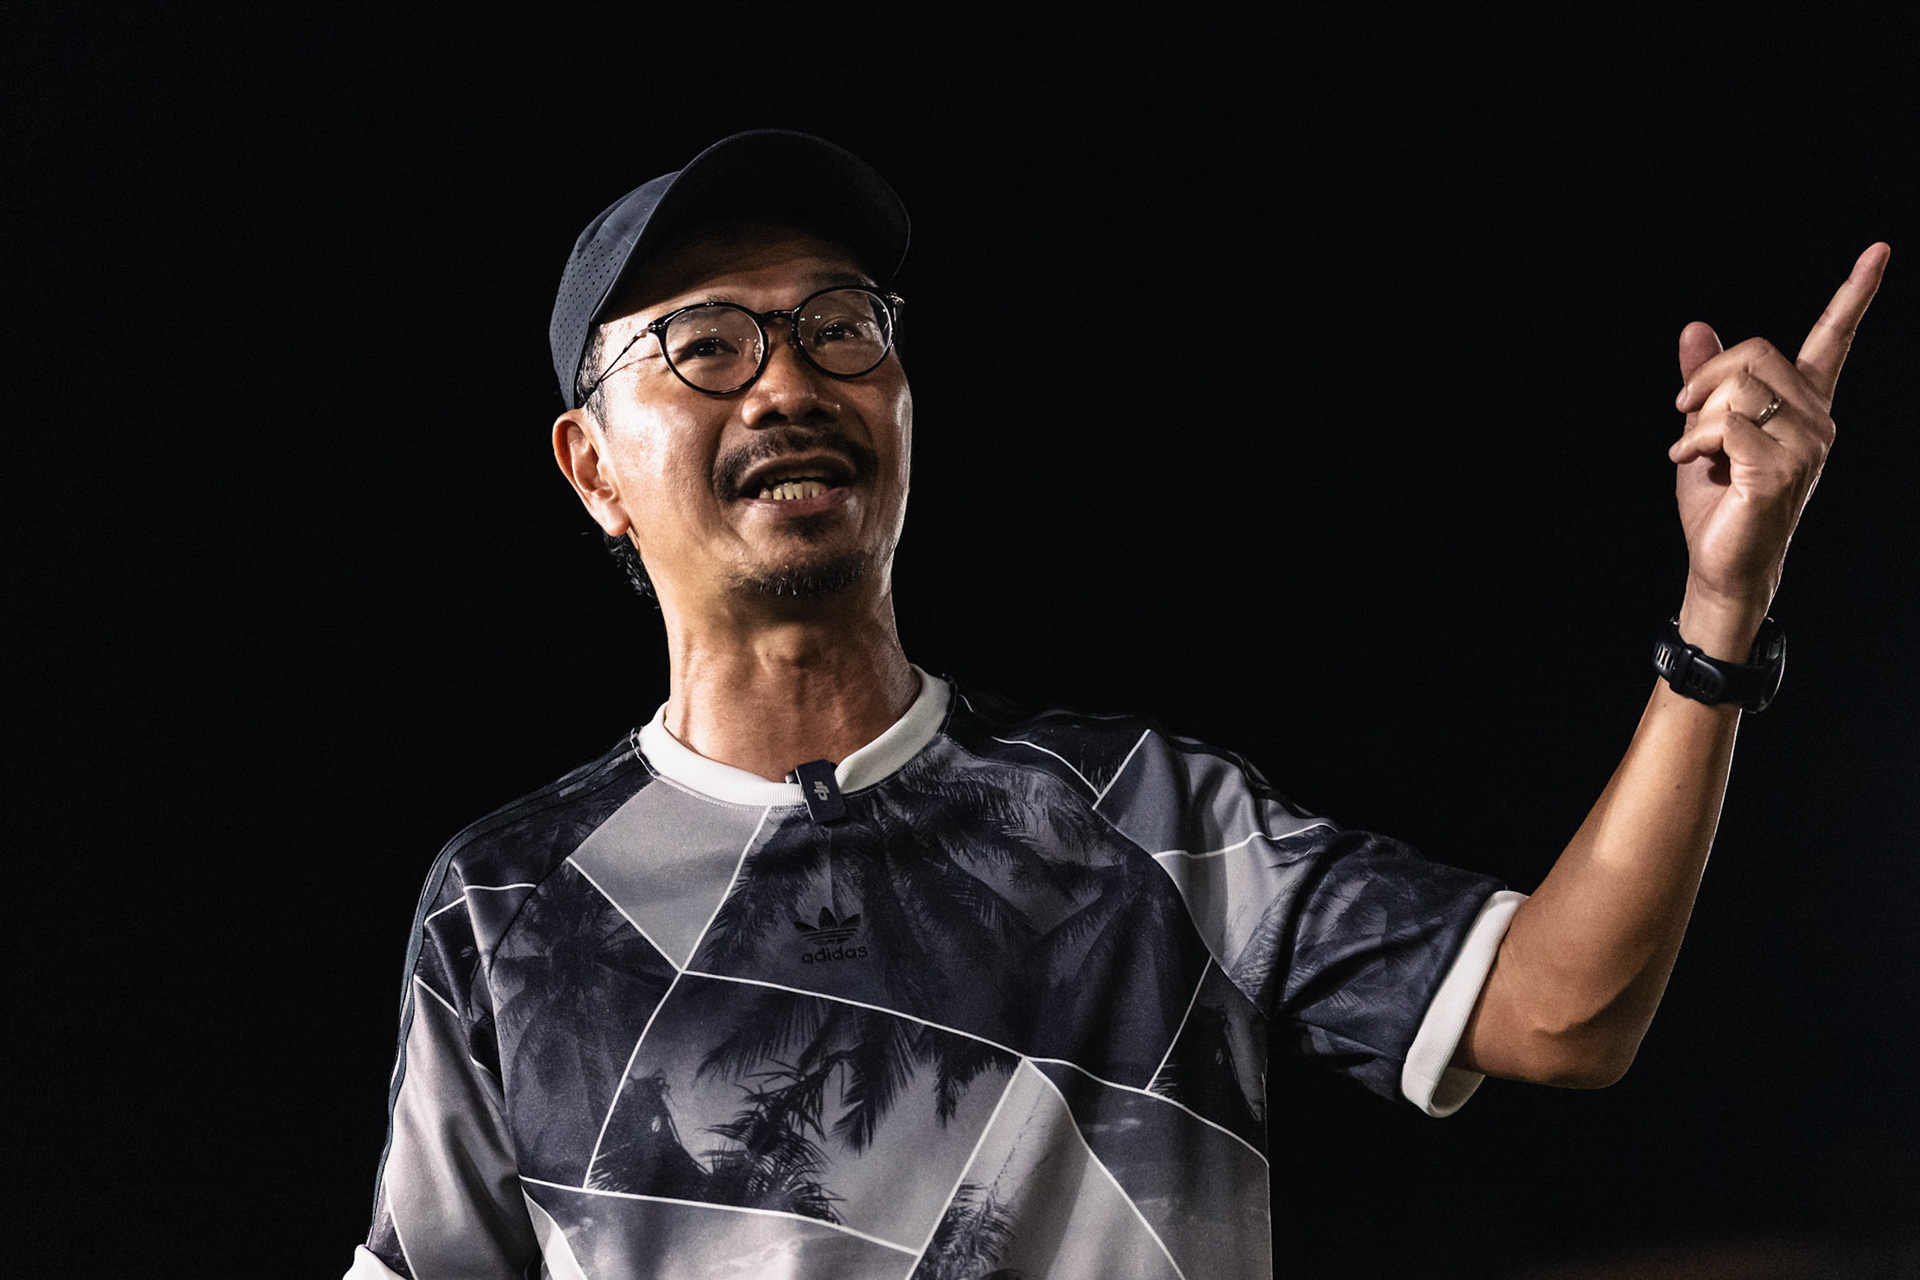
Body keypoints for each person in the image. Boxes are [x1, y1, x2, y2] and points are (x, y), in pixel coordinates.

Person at [346, 130, 1888, 1279]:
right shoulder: (512, 907)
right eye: (706, 346)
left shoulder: (1153, 818)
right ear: (593, 467)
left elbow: (1567, 1013)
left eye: (839, 328)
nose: (787, 386)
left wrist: (1720, 614)